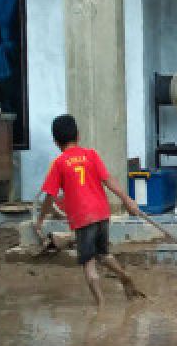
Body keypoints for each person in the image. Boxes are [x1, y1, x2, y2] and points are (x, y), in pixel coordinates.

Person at [34, 114, 143, 308]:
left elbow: (49, 197)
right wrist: (126, 200)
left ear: (56, 141)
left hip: (83, 218)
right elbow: (109, 180)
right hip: (102, 213)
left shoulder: (59, 164)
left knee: (88, 263)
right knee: (104, 254)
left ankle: (100, 306)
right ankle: (124, 275)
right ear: (78, 135)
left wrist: (40, 220)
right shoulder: (91, 155)